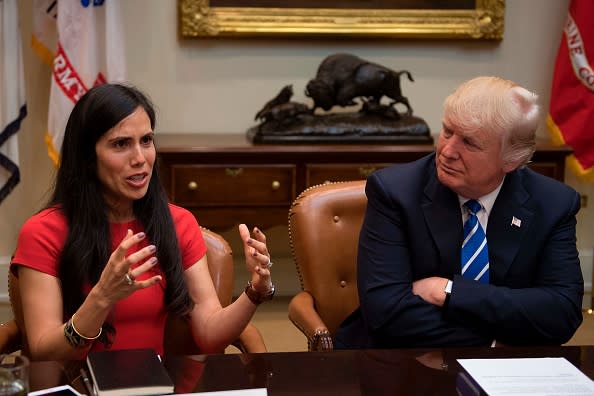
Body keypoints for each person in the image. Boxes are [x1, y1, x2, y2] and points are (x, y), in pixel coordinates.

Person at [11, 83, 275, 360]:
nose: (140, 158)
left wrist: (255, 291)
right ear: (88, 156)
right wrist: (101, 298)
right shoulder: (43, 232)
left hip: (153, 386)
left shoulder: (178, 223)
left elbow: (209, 333)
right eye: (121, 144)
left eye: (146, 140)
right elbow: (44, 351)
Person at [335, 76, 583, 348]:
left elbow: (562, 313)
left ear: (511, 159)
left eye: (470, 143)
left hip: (510, 376)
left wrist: (449, 291)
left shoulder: (553, 203)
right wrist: (496, 339)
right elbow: (386, 314)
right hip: (405, 365)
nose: (447, 151)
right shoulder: (395, 192)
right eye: (447, 131)